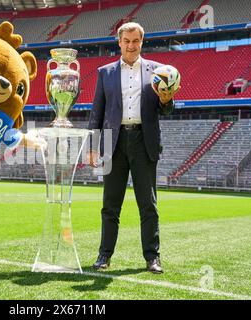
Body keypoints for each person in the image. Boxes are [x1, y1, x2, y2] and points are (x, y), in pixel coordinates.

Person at [87, 22, 180, 273]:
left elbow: (166, 109)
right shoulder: (104, 72)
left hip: (144, 142)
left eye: (135, 41)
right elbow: (97, 111)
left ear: (142, 41)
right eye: (126, 41)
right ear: (119, 42)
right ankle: (104, 256)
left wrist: (166, 100)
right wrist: (93, 146)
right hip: (113, 143)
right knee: (110, 205)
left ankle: (153, 257)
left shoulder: (157, 72)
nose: (131, 45)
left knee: (148, 204)